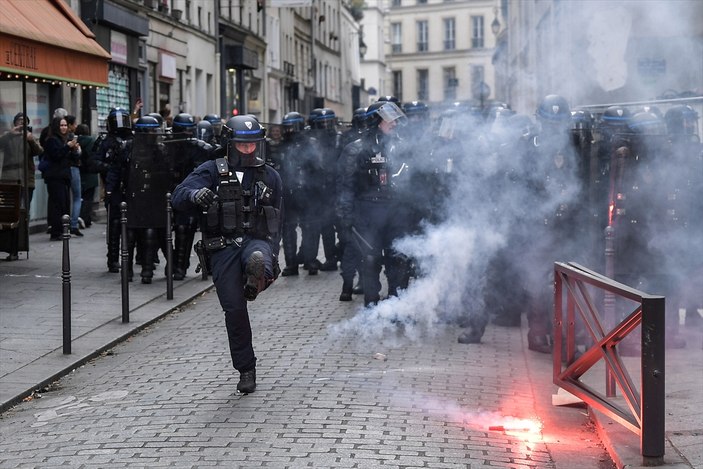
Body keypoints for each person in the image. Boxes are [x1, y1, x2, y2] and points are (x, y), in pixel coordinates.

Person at [171, 115, 283, 394]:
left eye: (253, 145)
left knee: (260, 258)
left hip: (256, 241)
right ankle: (246, 368)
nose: (249, 150)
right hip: (222, 247)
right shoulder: (210, 169)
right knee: (234, 309)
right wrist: (196, 195)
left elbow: (281, 219)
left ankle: (258, 277)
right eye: (243, 146)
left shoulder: (271, 175)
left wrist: (277, 254)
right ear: (230, 144)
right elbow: (179, 194)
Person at [336, 100, 408, 306]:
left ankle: (397, 304)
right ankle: (371, 304)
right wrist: (345, 216)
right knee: (369, 259)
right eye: (389, 120)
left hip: (396, 212)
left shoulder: (401, 147)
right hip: (367, 212)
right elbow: (345, 185)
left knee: (399, 259)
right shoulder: (356, 149)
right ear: (376, 121)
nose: (394, 124)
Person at [0, 112, 43, 260]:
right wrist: (9, 134)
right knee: (7, 215)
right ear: (14, 123)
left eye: (24, 122)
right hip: (9, 181)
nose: (21, 125)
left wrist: (30, 140)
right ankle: (8, 247)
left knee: (22, 214)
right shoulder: (8, 137)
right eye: (19, 122)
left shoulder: (30, 137)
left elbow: (39, 152)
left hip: (26, 182)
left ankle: (17, 248)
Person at [42, 116, 81, 241]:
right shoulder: (52, 140)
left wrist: (74, 150)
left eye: (65, 125)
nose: (64, 128)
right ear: (56, 127)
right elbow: (56, 155)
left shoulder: (64, 140)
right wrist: (68, 147)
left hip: (64, 176)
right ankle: (56, 231)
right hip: (55, 176)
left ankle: (63, 229)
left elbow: (70, 158)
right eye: (61, 125)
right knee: (57, 204)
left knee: (64, 203)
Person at [76, 124, 98, 228]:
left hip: (79, 171)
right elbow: (94, 156)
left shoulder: (75, 140)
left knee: (79, 197)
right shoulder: (92, 141)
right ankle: (86, 218)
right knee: (89, 198)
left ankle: (79, 216)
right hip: (91, 173)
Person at [64, 115, 83, 236]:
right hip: (73, 168)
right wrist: (77, 149)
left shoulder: (61, 137)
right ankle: (74, 224)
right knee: (77, 197)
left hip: (64, 169)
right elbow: (76, 155)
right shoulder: (71, 137)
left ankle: (66, 222)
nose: (76, 126)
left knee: (67, 197)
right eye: (75, 124)